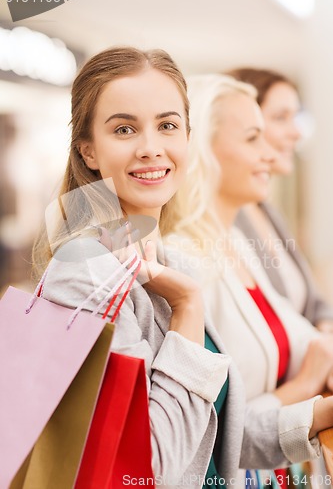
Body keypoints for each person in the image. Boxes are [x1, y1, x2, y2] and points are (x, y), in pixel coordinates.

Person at [31, 47, 243, 489]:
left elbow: (209, 430)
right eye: (124, 129)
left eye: (167, 125)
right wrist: (187, 306)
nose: (151, 148)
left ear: (187, 136)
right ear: (88, 150)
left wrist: (308, 420)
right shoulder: (83, 271)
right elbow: (148, 467)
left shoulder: (171, 260)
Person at [164, 73, 333, 488]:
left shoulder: (235, 241)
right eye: (253, 138)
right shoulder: (180, 260)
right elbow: (210, 430)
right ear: (205, 148)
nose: (271, 154)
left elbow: (309, 339)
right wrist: (306, 385)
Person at [226, 68, 333, 331]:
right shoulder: (222, 219)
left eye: (295, 117)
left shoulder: (265, 208)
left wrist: (325, 333)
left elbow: (313, 301)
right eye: (281, 117)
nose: (296, 132)